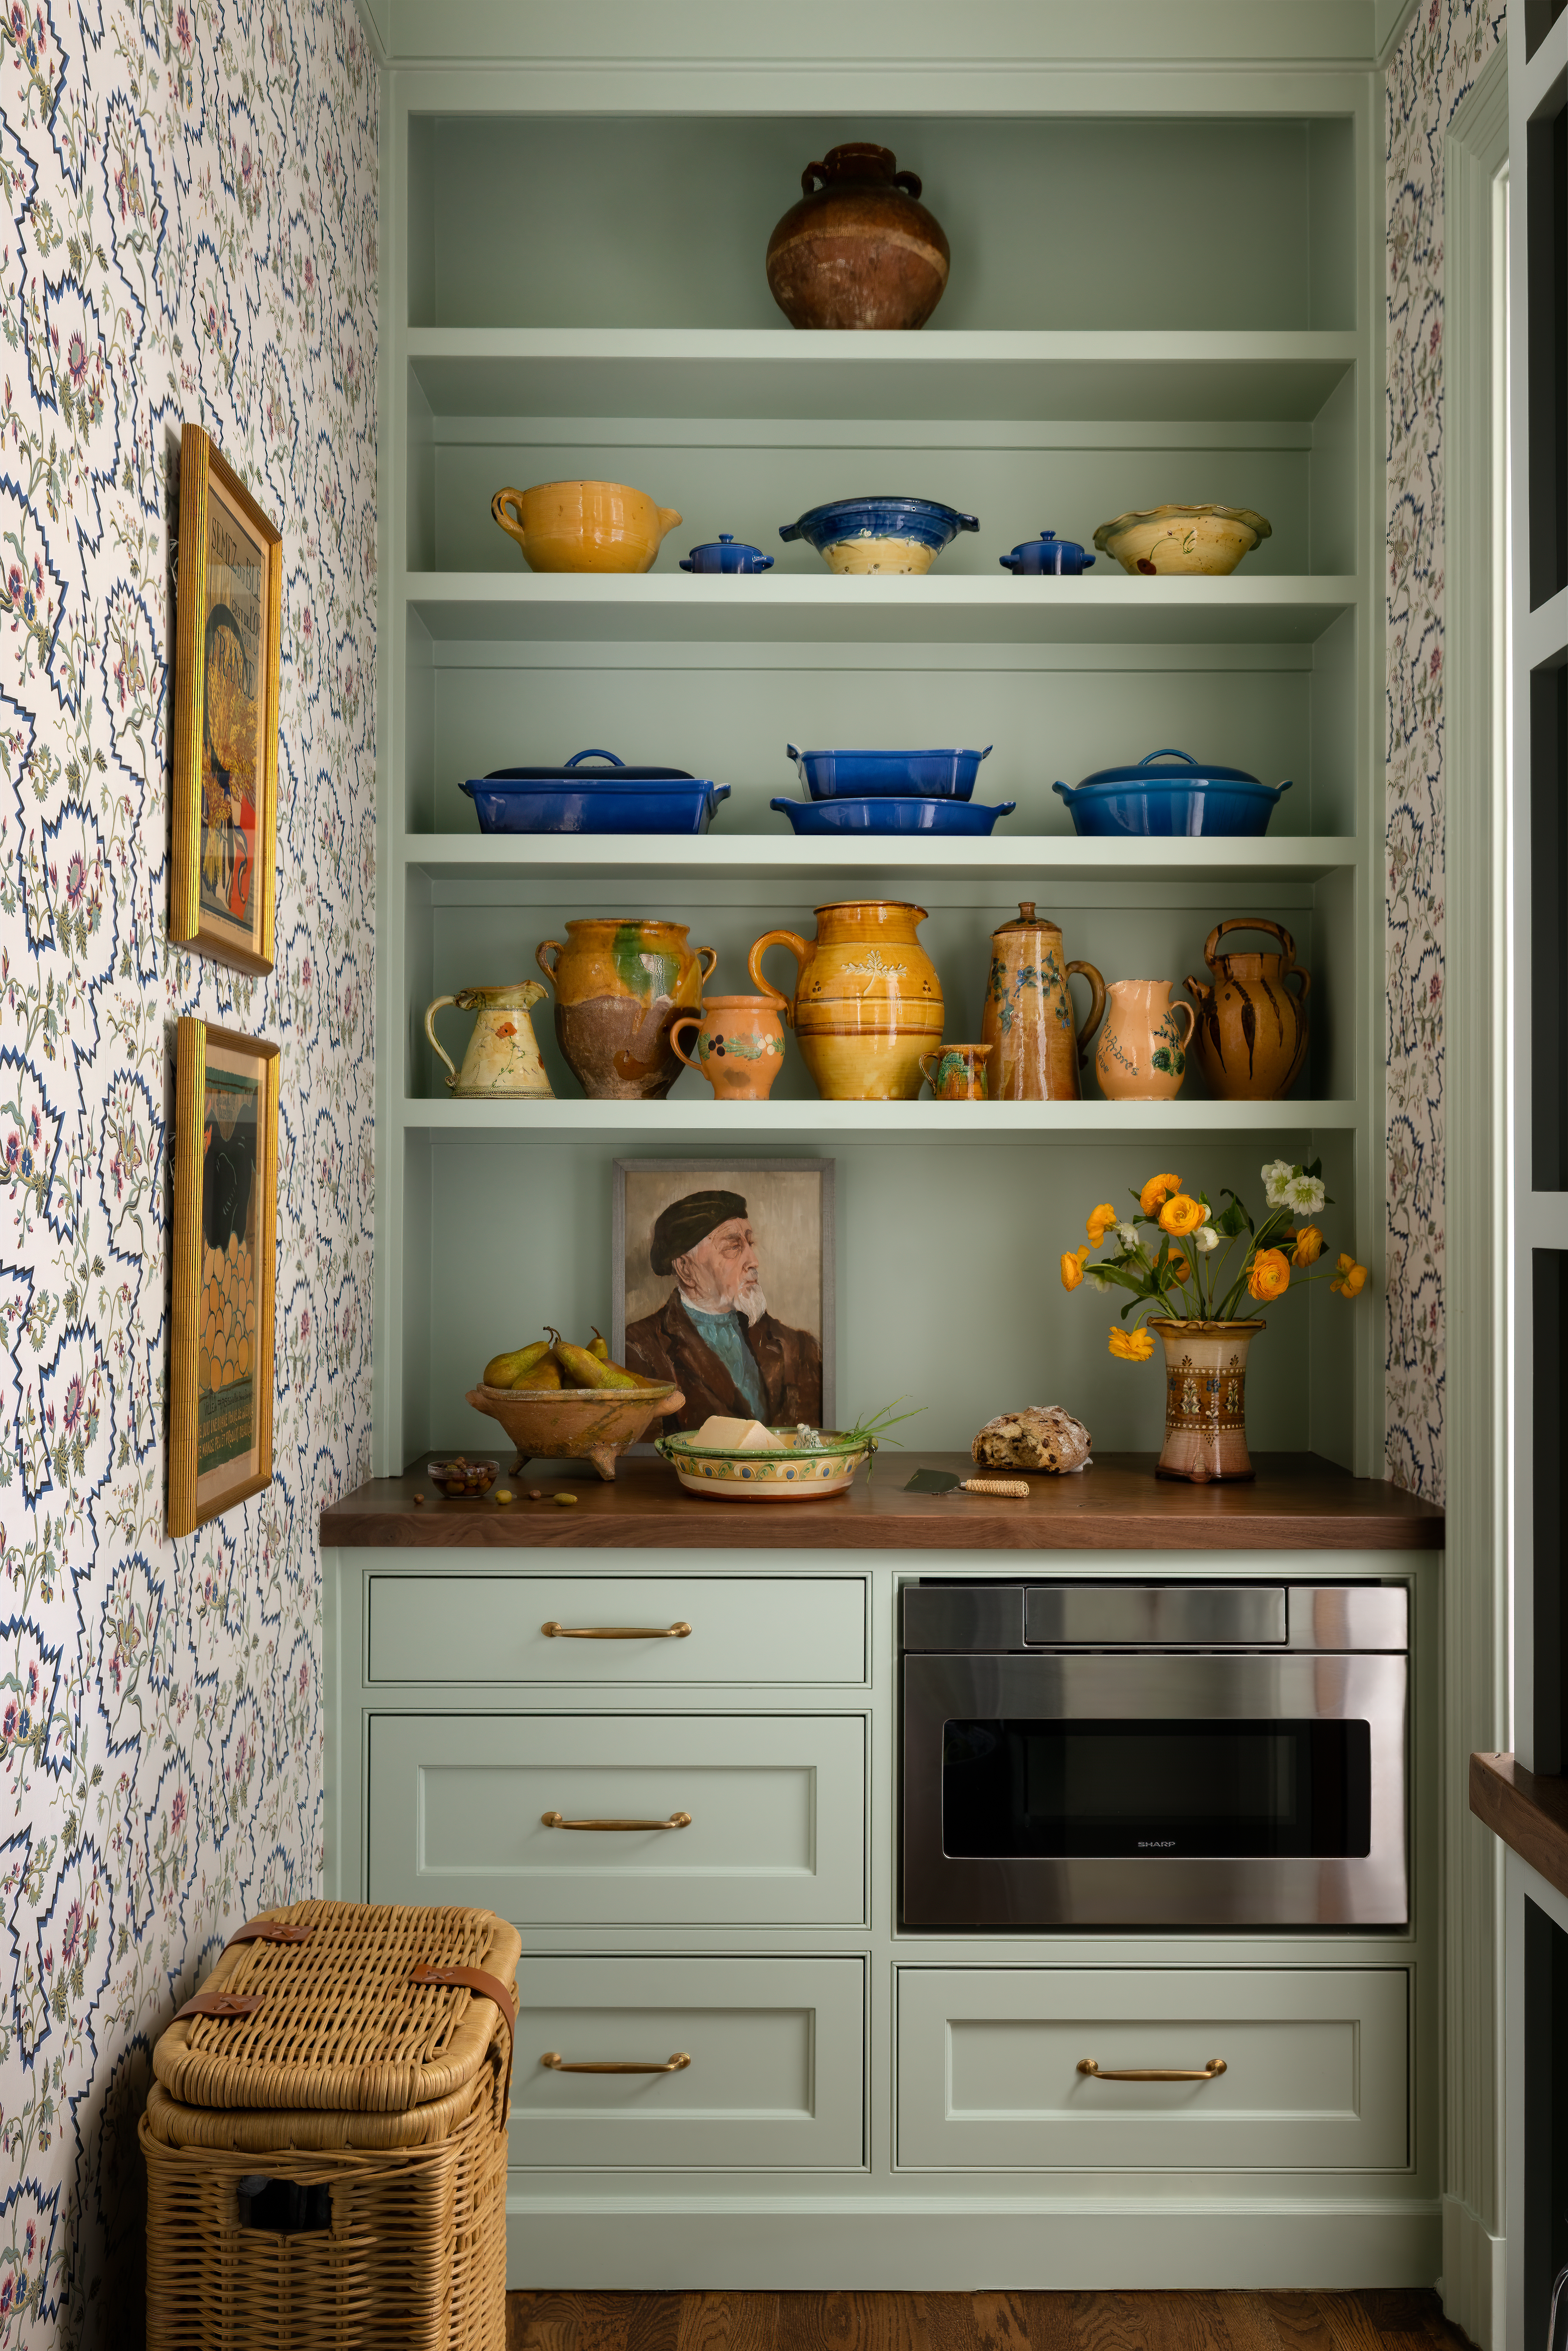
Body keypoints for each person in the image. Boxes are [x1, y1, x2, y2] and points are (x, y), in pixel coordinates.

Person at [624, 1188, 822, 1431]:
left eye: (749, 1243)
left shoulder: (800, 1348)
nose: (753, 1261)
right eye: (733, 1247)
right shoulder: (639, 1349)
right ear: (686, 1269)